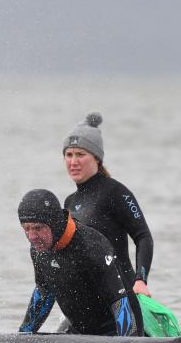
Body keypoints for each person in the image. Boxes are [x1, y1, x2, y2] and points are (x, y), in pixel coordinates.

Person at [17, 189, 142, 336]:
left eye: (38, 228)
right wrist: (22, 337)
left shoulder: (92, 246)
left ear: (55, 222)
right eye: (26, 229)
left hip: (114, 333)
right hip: (78, 334)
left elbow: (119, 302)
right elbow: (44, 292)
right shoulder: (39, 250)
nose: (31, 236)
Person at [61, 112, 154, 297]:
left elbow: (143, 236)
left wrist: (141, 280)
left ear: (96, 158)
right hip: (91, 300)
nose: (73, 162)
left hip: (122, 294)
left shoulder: (115, 192)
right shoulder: (70, 202)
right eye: (68, 155)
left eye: (80, 154)